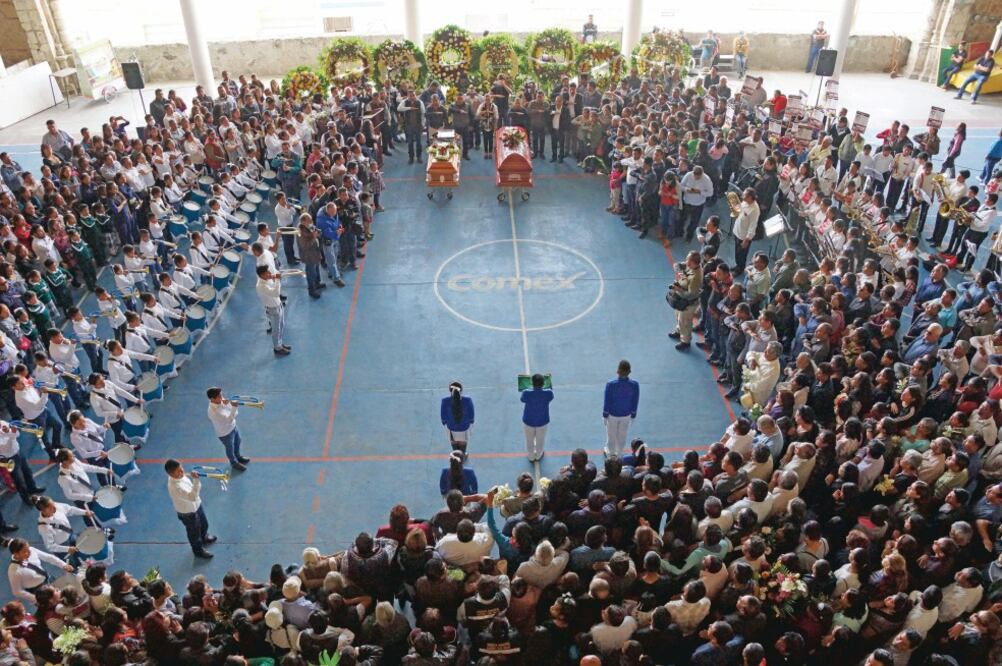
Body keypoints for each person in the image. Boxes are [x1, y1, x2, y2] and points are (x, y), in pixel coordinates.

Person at [164, 459, 216, 559]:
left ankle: (204, 537)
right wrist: (196, 480)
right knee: (194, 534)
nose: (182, 472)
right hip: (188, 513)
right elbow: (192, 497)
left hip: (196, 506)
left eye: (181, 468)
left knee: (204, 524)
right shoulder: (176, 487)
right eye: (178, 471)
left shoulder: (179, 476)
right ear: (171, 474)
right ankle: (198, 550)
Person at [206, 387, 249, 471]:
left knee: (238, 441)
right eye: (219, 396)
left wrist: (230, 405)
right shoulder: (214, 412)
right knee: (230, 448)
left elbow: (234, 414)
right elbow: (229, 419)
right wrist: (234, 407)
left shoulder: (219, 400)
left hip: (233, 427)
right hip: (225, 433)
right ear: (212, 399)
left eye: (221, 395)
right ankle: (234, 463)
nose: (222, 397)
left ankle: (238, 457)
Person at [603, 360, 639, 457]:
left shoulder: (611, 384)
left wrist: (605, 415)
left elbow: (607, 400)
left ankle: (611, 453)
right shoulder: (634, 385)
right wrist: (634, 414)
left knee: (611, 436)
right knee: (622, 435)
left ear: (618, 371)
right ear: (629, 372)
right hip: (626, 415)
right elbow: (635, 400)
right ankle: (619, 453)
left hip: (613, 415)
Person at [255, 265, 291, 356]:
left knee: (281, 325)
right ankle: (277, 348)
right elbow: (276, 293)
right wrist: (278, 280)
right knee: (276, 329)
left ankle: (280, 343)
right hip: (273, 309)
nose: (270, 274)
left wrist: (274, 279)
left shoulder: (266, 279)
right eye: (268, 273)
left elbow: (274, 287)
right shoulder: (261, 286)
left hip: (278, 305)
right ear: (262, 275)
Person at [520, 373, 554, 462]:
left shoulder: (526, 392)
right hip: (542, 421)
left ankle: (530, 456)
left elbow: (522, 399)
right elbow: (551, 396)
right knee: (540, 439)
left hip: (528, 420)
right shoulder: (548, 393)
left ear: (532, 383)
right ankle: (538, 455)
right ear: (543, 383)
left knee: (529, 440)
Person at [441, 381, 474, 451]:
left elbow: (443, 417)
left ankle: (455, 453)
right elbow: (471, 415)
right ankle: (462, 454)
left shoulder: (445, 401)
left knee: (454, 441)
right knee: (463, 441)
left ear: (450, 390)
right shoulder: (468, 400)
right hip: (464, 426)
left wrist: (446, 423)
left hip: (451, 427)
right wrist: (471, 422)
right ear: (461, 390)